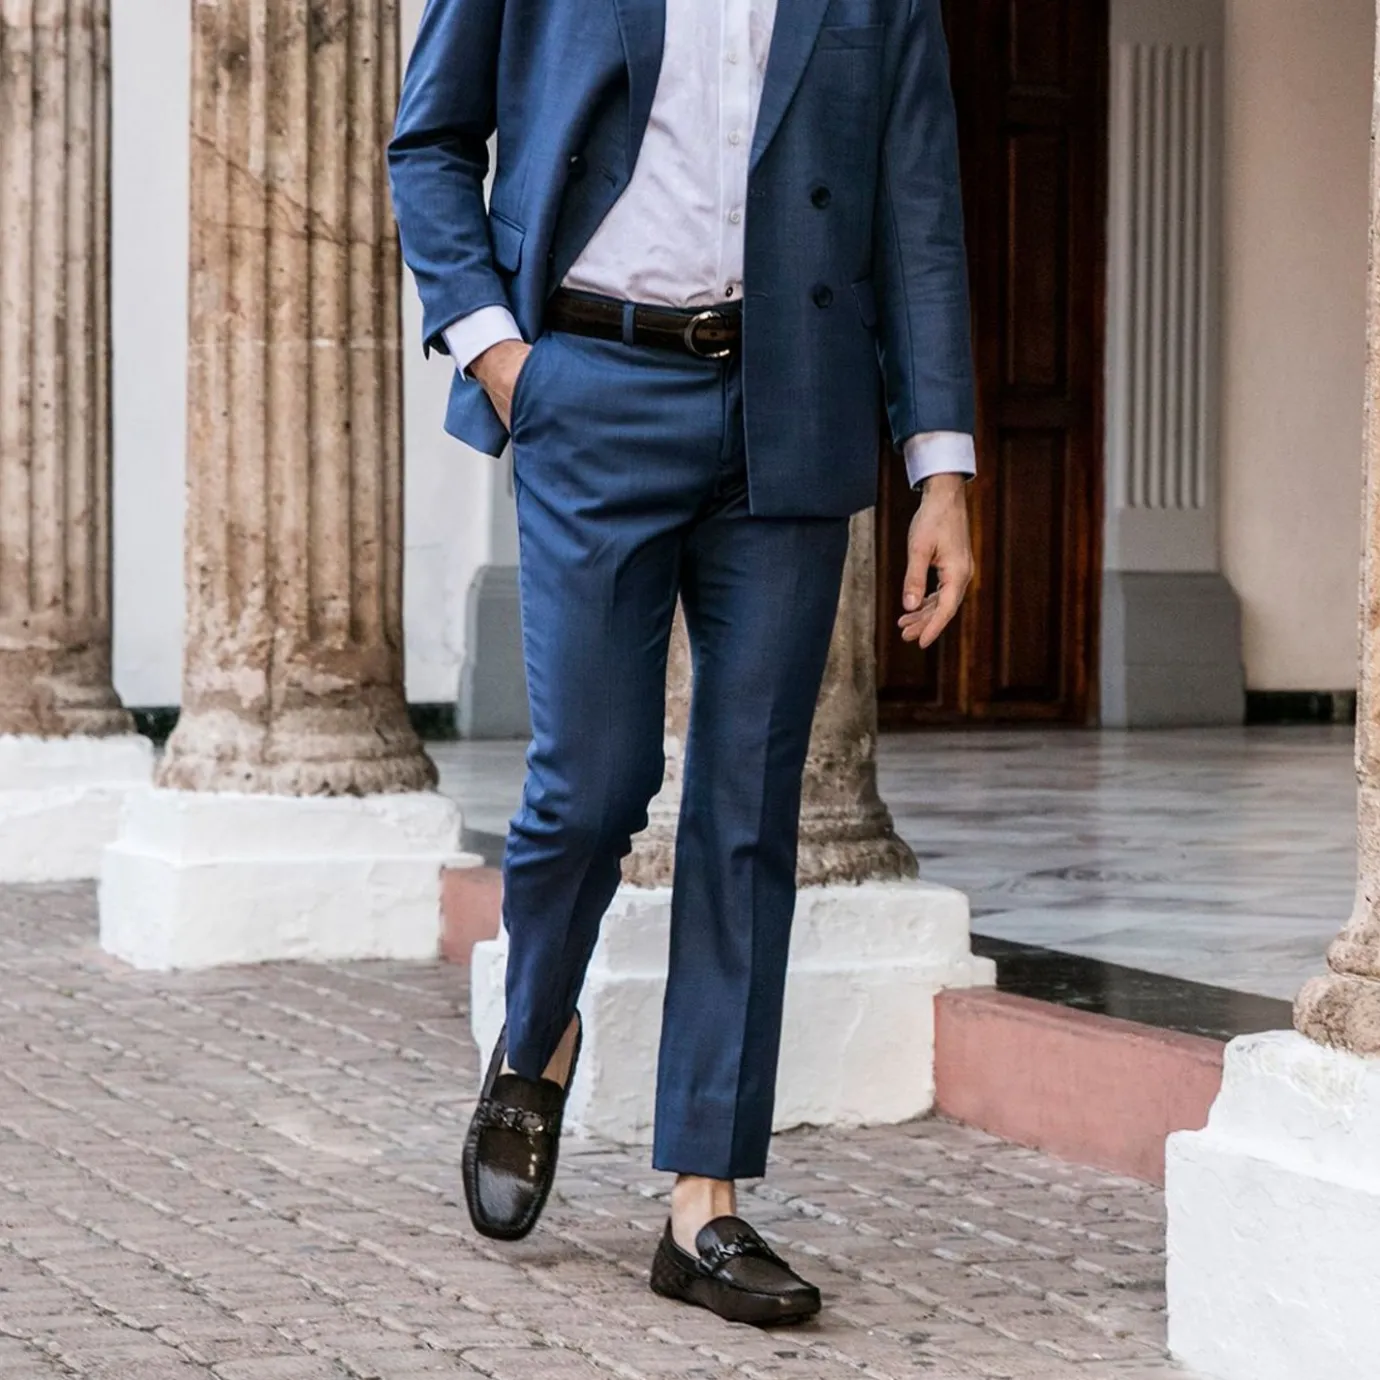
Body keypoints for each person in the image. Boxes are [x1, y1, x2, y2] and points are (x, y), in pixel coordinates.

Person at [389, 0, 976, 1326]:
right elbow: (429, 143)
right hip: (589, 386)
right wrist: (497, 353)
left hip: (794, 405)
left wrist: (943, 467)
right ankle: (535, 1034)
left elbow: (919, 215)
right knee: (589, 788)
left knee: (749, 811)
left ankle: (702, 1201)